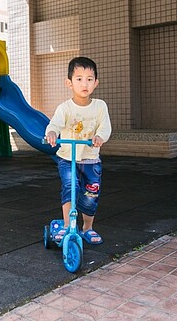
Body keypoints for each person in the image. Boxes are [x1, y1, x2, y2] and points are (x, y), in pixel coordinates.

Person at [45, 56, 112, 245]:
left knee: (91, 196)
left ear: (96, 83)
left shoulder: (100, 106)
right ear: (69, 83)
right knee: (70, 188)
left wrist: (100, 137)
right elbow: (55, 124)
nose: (85, 84)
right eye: (79, 79)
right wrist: (51, 133)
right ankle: (67, 226)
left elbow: (105, 128)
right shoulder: (65, 108)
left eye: (89, 79)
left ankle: (87, 228)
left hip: (91, 160)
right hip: (68, 159)